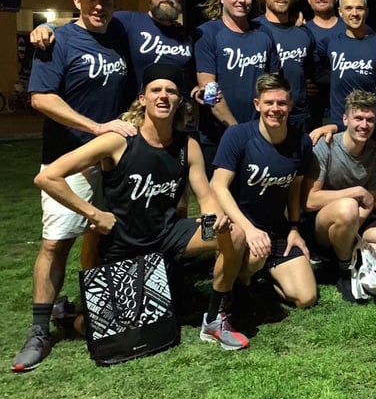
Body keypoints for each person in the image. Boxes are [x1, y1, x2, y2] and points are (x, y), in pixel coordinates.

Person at [34, 64, 250, 351]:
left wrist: (214, 223)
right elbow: (47, 177)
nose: (163, 96)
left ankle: (214, 319)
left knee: (234, 235)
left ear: (179, 101)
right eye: (156, 90)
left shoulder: (188, 147)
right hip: (124, 245)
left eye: (171, 91)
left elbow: (206, 196)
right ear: (142, 98)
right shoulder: (118, 141)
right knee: (120, 330)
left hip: (168, 236)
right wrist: (94, 214)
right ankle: (70, 317)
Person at [12, 0, 133, 373]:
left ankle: (90, 309)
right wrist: (95, 128)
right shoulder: (58, 41)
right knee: (56, 241)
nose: (99, 5)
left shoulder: (119, 36)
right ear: (76, 1)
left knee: (102, 237)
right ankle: (39, 329)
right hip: (68, 159)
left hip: (111, 161)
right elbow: (41, 98)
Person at [211, 73, 317, 313]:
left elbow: (294, 188)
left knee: (306, 297)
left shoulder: (301, 142)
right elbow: (217, 185)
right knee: (256, 255)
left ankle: (266, 276)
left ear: (290, 105)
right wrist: (247, 230)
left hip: (276, 231)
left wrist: (293, 228)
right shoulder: (238, 136)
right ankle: (243, 280)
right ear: (257, 105)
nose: (275, 109)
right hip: (240, 229)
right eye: (269, 103)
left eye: (281, 103)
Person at [304, 90, 376, 302]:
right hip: (323, 223)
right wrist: (355, 192)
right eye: (358, 118)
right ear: (345, 119)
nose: (364, 125)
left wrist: (354, 227)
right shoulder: (325, 145)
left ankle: (339, 261)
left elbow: (369, 202)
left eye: (370, 120)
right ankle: (345, 271)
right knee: (347, 206)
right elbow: (310, 201)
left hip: (357, 220)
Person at [30, 0, 195, 95]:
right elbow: (84, 19)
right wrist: (48, 25)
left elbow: (191, 79)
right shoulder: (128, 21)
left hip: (179, 118)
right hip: (137, 121)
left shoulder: (188, 35)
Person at [193, 0, 281, 171]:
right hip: (217, 136)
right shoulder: (207, 33)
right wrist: (237, 131)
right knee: (216, 198)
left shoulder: (264, 33)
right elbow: (209, 92)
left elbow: (273, 85)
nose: (241, 0)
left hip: (259, 133)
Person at [315, 0, 376, 130]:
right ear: (340, 12)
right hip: (342, 123)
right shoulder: (331, 43)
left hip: (374, 122)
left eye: (359, 8)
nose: (354, 13)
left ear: (367, 11)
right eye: (349, 8)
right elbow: (314, 70)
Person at [256, 0, 316, 132]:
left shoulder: (304, 32)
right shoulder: (253, 30)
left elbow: (310, 71)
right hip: (264, 116)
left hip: (299, 116)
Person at [305, 0, 342, 126]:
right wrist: (300, 85)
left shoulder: (352, 28)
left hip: (346, 104)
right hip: (313, 108)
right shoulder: (302, 31)